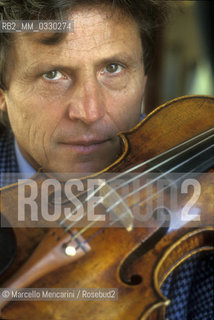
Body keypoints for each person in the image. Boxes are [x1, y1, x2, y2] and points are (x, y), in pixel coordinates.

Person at [0, 1, 213, 319]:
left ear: (143, 77)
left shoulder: (197, 216)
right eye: (53, 74)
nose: (90, 112)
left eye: (113, 69)